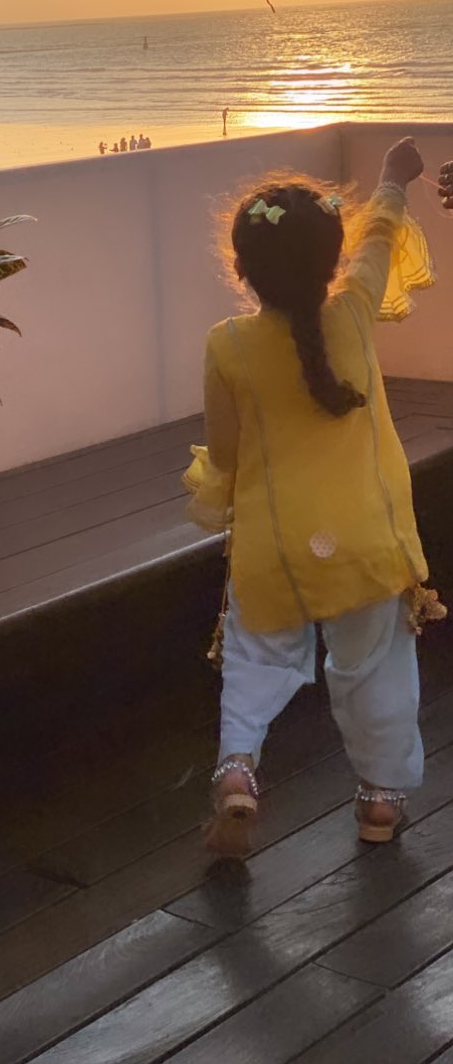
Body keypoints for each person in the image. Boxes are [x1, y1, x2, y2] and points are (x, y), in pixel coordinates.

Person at [183, 137, 441, 859]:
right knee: (375, 667)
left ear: (242, 270)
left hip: (279, 548)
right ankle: (380, 802)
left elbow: (228, 456)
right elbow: (382, 234)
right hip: (366, 543)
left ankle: (238, 771)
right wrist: (391, 176)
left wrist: (212, 485)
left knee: (253, 654)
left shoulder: (226, 345)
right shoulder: (356, 312)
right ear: (333, 262)